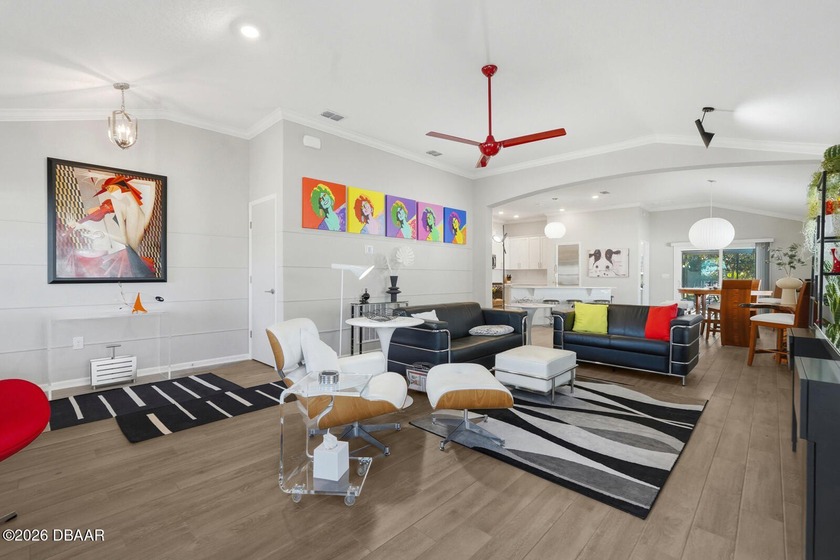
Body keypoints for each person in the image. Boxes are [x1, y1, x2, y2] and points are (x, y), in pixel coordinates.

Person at [66, 175, 157, 278]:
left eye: (113, 189)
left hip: (130, 256)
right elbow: (152, 184)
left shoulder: (121, 205)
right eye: (109, 191)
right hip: (131, 255)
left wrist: (88, 227)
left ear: (122, 186)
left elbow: (124, 241)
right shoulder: (138, 211)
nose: (112, 194)